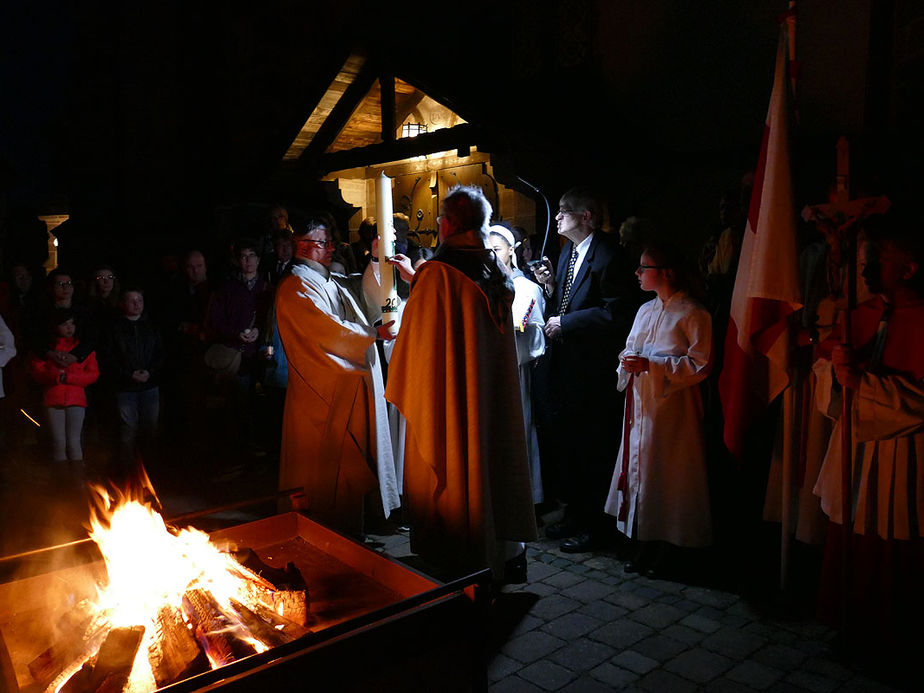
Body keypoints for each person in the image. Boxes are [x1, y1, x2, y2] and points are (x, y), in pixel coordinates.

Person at [385, 185, 537, 582]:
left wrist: (416, 282)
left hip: (453, 403)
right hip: (490, 400)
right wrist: (418, 277)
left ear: (448, 223)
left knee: (456, 460)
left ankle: (459, 555)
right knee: (490, 461)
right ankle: (504, 553)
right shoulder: (497, 272)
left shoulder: (439, 274)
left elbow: (423, 343)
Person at [811, 216, 924, 676]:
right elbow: (830, 382)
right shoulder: (860, 314)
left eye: (879, 260)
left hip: (905, 453)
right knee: (852, 531)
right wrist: (834, 374)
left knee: (897, 540)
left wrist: (863, 382)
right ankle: (851, 625)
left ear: (910, 269)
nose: (868, 269)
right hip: (857, 447)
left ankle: (896, 638)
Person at [531, 187, 641, 553]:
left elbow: (618, 313)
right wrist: (549, 284)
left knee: (594, 450)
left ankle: (597, 526)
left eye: (565, 211)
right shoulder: (567, 253)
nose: (558, 217)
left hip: (593, 371)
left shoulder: (610, 255)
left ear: (586, 217)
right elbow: (565, 298)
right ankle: (575, 514)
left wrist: (569, 322)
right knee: (571, 447)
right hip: (567, 369)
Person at [275, 216, 399, 537]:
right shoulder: (296, 286)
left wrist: (376, 257)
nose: (330, 249)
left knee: (346, 475)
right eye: (322, 243)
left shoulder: (327, 280)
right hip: (321, 396)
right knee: (326, 474)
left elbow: (363, 291)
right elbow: (325, 331)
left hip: (346, 389)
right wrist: (370, 334)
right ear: (301, 246)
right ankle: (322, 535)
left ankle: (351, 531)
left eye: (331, 242)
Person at [603, 243, 713, 576]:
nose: (637, 273)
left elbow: (701, 364)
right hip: (642, 408)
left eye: (644, 267)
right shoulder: (645, 310)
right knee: (642, 474)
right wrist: (628, 362)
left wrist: (653, 366)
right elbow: (631, 348)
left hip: (673, 412)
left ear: (665, 272)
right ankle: (642, 541)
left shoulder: (693, 313)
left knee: (668, 477)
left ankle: (670, 546)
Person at [488, 225, 546, 505]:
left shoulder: (526, 287)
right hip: (489, 370)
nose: (492, 256)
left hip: (515, 369)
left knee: (518, 431)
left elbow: (524, 327)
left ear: (511, 250)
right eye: (487, 251)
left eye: (497, 249)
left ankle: (523, 498)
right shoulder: (484, 287)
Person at [28, 309, 99, 471]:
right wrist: (55, 377)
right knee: (58, 441)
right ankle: (62, 481)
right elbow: (37, 371)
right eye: (65, 324)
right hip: (54, 399)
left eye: (72, 324)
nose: (69, 327)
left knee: (74, 440)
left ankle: (77, 479)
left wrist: (69, 378)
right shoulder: (48, 349)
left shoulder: (82, 348)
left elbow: (93, 374)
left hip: (76, 400)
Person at [103, 287, 164, 472]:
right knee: (128, 432)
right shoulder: (115, 329)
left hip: (149, 386)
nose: (137, 304)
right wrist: (128, 374)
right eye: (132, 300)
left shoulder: (151, 327)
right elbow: (109, 357)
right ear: (122, 303)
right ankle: (128, 474)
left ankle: (149, 472)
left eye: (140, 300)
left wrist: (150, 372)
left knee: (150, 430)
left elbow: (160, 354)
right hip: (126, 388)